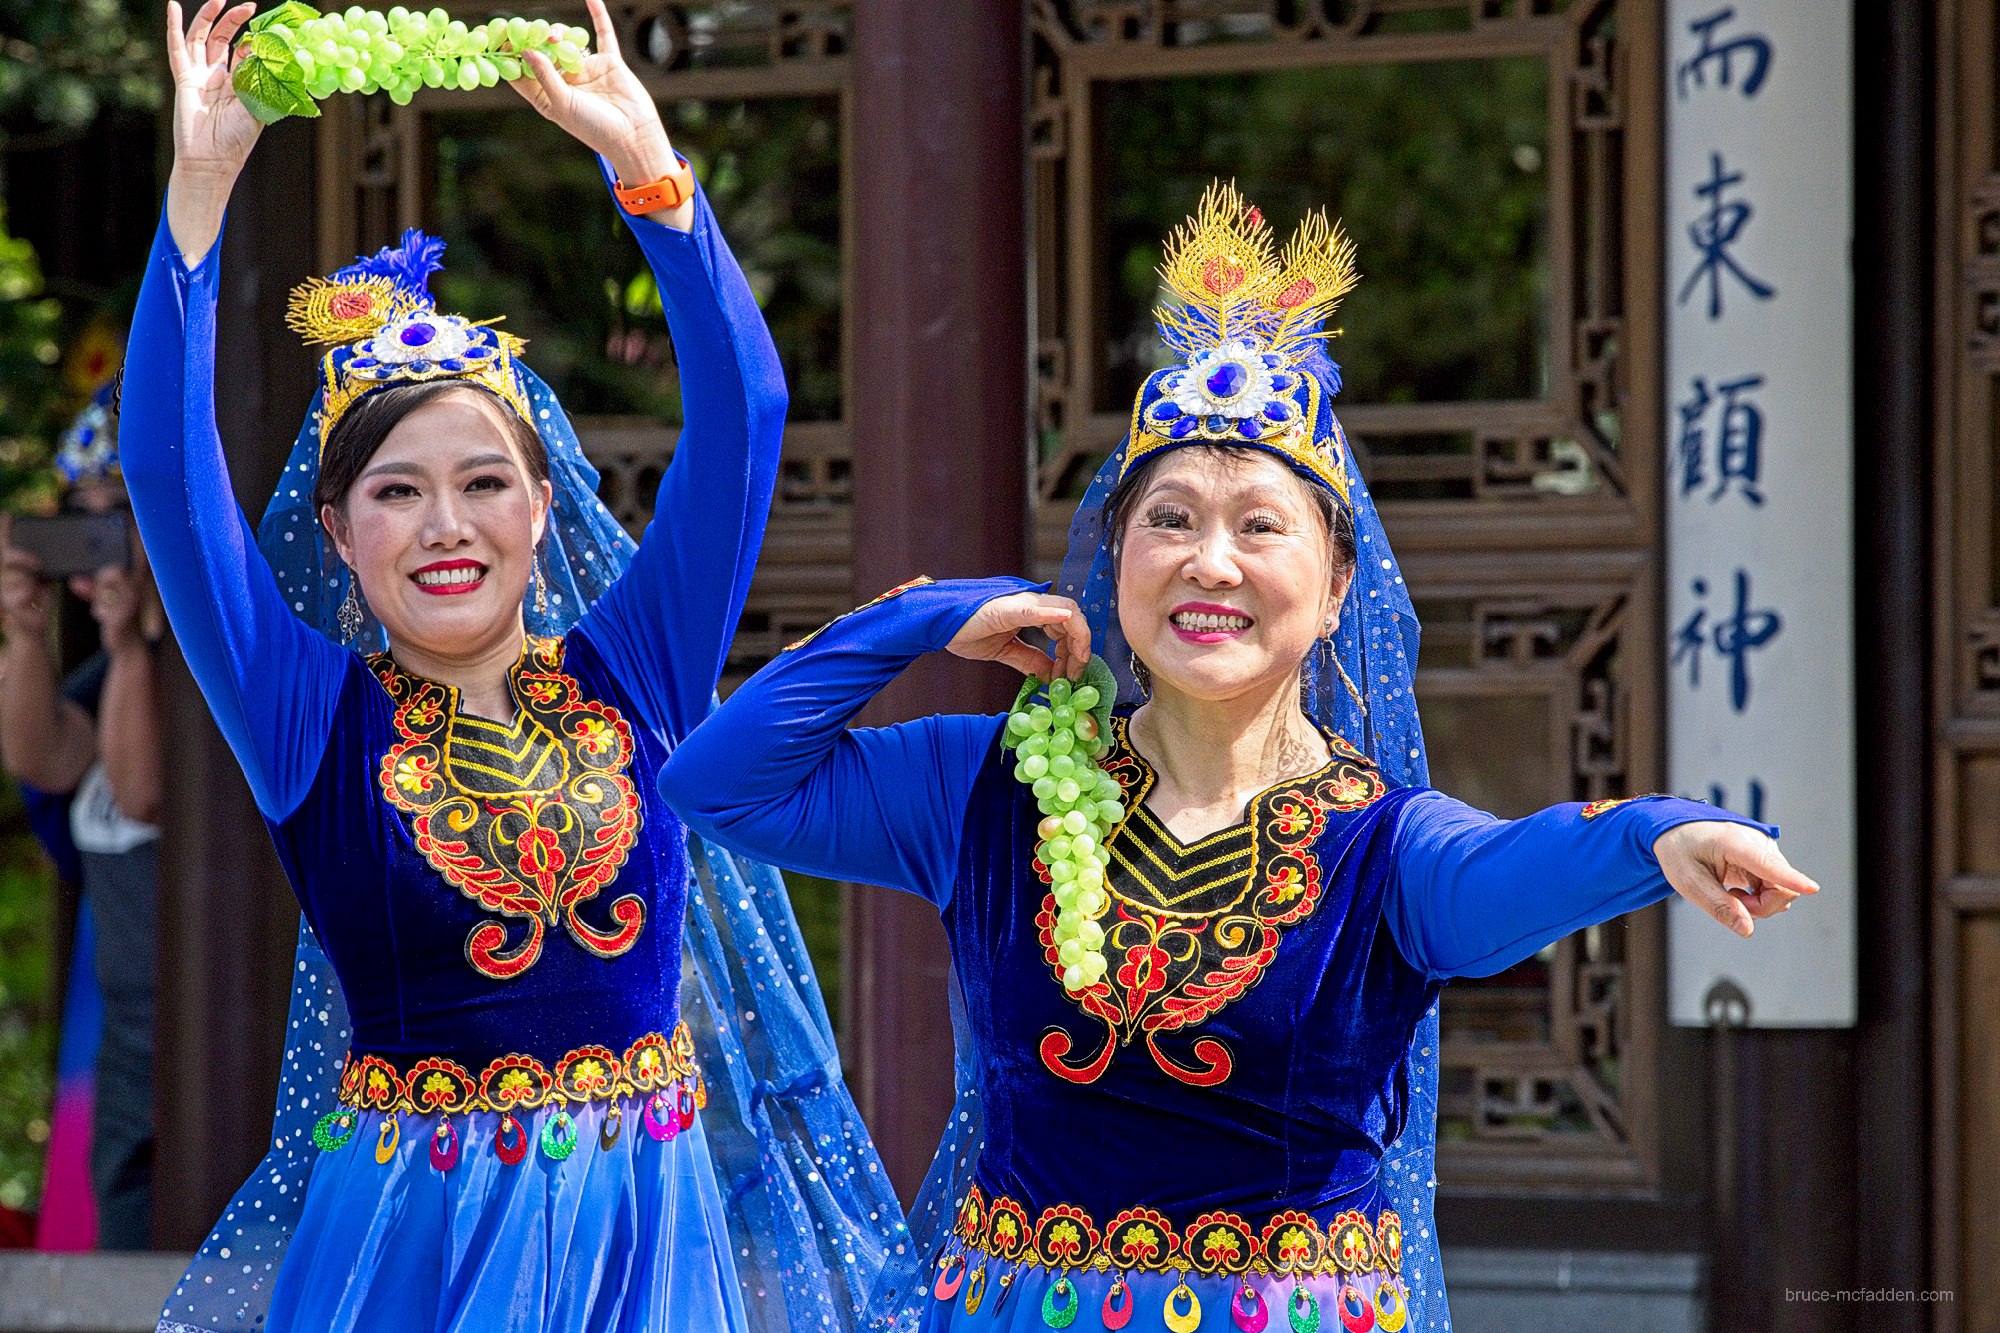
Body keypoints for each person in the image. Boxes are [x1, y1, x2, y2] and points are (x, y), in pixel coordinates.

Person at [660, 184, 1818, 1331]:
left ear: (1334, 591)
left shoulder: (1384, 848)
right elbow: (716, 783)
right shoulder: (990, 786)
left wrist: (1660, 832)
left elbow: (1512, 873)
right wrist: (921, 620)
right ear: (1113, 563)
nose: (1209, 563)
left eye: (1259, 526)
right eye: (1167, 520)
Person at [126, 4, 895, 1330]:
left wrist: (651, 175)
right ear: (337, 531)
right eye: (396, 492)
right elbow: (166, 471)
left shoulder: (641, 669)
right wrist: (200, 188)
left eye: (484, 483)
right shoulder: (306, 714)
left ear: (544, 510)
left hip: (640, 1233)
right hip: (411, 1243)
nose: (444, 525)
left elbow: (748, 414)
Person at [1, 372, 165, 1251]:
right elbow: (43, 756)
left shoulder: (190, 678)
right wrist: (22, 630)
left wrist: (135, 647)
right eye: (82, 516)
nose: (98, 544)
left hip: (190, 1036)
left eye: (118, 516)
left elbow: (141, 790)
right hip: (115, 1035)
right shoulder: (98, 679)